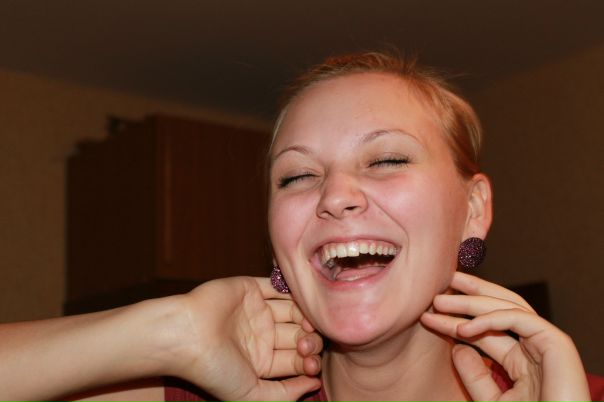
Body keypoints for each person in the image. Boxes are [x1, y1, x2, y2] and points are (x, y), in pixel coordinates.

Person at [1, 52, 601, 402]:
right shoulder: (207, 387)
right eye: (297, 176)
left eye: (387, 159)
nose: (335, 196)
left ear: (472, 207)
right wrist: (172, 330)